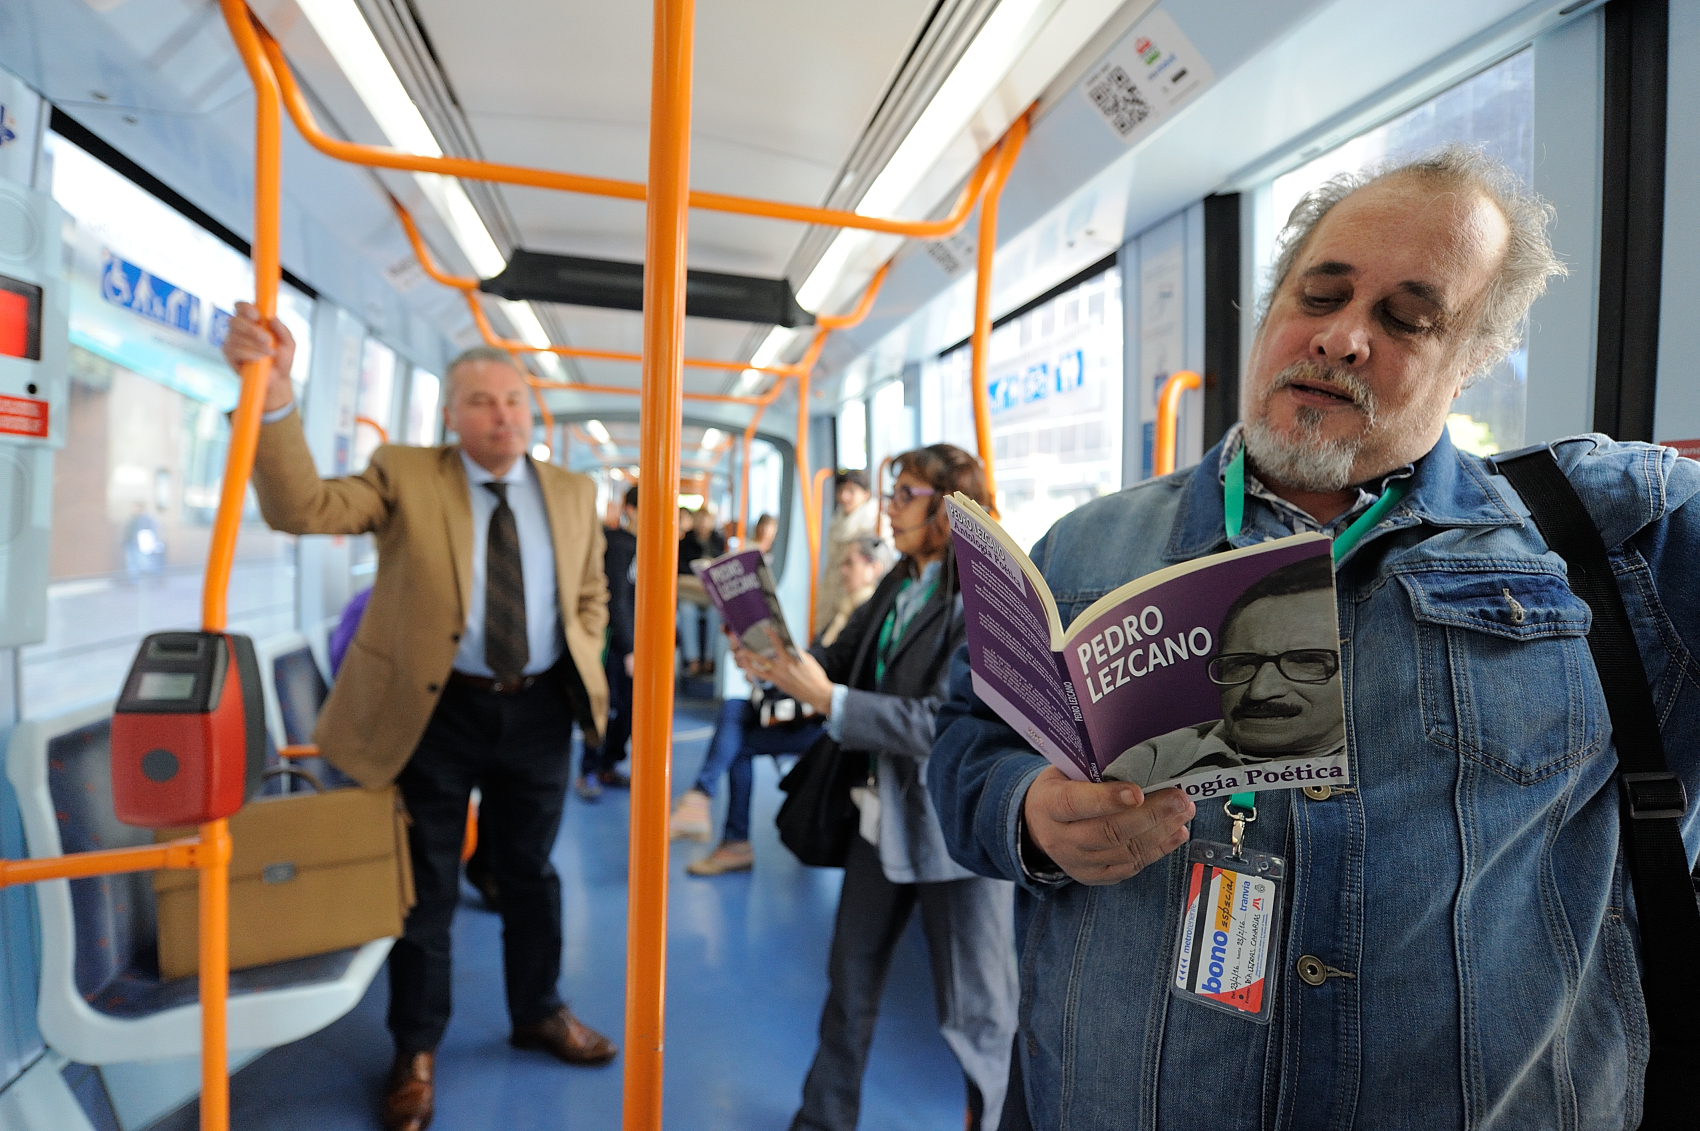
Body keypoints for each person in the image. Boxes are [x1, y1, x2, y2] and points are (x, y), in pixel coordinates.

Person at [929, 144, 1700, 1129]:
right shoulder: (1090, 548)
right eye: (1317, 294)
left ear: (1467, 364)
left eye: (1405, 318)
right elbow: (964, 748)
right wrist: (1029, 809)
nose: (1339, 337)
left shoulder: (1610, 544)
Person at [221, 316, 618, 1131]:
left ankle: (539, 1008)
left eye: (514, 401)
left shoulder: (574, 492)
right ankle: (416, 1048)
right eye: (481, 402)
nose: (502, 416)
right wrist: (276, 394)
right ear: (449, 415)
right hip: (436, 708)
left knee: (531, 871)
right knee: (427, 881)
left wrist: (582, 642)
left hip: (540, 706)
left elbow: (589, 592)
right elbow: (304, 507)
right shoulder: (404, 473)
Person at [742, 444, 1018, 1131]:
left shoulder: (982, 597)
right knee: (850, 982)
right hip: (881, 818)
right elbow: (841, 660)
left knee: (978, 1011)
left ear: (948, 508)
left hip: (952, 831)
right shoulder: (901, 579)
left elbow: (939, 721)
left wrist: (830, 700)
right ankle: (822, 1120)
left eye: (903, 495)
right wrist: (781, 663)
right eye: (891, 493)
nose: (887, 508)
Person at [670, 533, 897, 875]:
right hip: (805, 711)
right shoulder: (844, 612)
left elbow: (831, 671)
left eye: (850, 563)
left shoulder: (865, 617)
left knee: (739, 742)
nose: (842, 570)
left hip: (824, 722)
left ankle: (725, 829)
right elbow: (822, 660)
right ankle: (705, 804)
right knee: (734, 708)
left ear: (874, 568)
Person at [1099, 554, 1344, 785]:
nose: (1259, 691)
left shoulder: (1380, 765)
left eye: (1305, 662)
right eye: (1241, 664)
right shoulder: (1148, 763)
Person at [578, 484, 638, 801]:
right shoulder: (618, 546)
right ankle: (588, 769)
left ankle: (608, 764)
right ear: (630, 511)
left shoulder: (646, 546)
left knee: (629, 711)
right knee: (607, 707)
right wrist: (628, 648)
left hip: (634, 642)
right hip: (614, 643)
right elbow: (616, 601)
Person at [813, 469, 877, 637]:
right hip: (832, 601)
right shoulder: (837, 522)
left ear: (866, 494)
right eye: (841, 491)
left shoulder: (875, 524)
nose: (844, 496)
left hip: (856, 604)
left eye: (851, 491)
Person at [678, 505, 727, 676]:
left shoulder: (719, 542)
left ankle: (709, 659)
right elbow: (680, 568)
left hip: (710, 594)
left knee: (716, 613)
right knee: (687, 611)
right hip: (691, 592)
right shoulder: (684, 543)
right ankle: (693, 660)